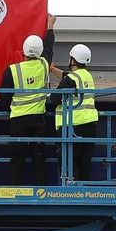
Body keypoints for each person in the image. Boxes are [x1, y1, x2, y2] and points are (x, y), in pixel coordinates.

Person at [0, 14, 56, 186]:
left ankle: (16, 191)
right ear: (38, 53)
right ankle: (41, 191)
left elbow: (4, 98)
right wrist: (50, 25)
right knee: (39, 157)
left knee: (17, 159)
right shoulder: (44, 65)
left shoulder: (12, 70)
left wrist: (13, 109)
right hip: (38, 120)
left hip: (18, 120)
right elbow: (49, 47)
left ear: (23, 51)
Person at [48, 41, 99, 181]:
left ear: (73, 60)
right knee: (84, 163)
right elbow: (68, 77)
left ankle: (71, 193)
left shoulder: (71, 79)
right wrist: (52, 69)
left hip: (74, 127)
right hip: (90, 126)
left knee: (69, 163)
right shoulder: (87, 76)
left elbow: (54, 99)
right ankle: (84, 194)